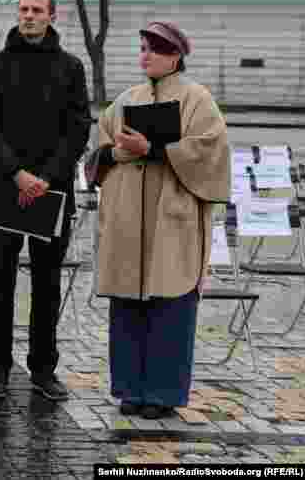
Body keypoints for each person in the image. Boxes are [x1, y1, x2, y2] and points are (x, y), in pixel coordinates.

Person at [86, 22, 230, 420]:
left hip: (174, 217)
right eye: (142, 48)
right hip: (127, 217)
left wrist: (153, 149)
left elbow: (211, 153)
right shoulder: (125, 99)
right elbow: (97, 153)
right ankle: (130, 388)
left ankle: (163, 393)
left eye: (154, 49)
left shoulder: (197, 99)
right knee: (127, 305)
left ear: (175, 56)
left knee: (171, 305)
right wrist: (116, 154)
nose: (145, 55)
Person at [0, 0, 90, 402]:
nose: (29, 16)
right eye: (23, 9)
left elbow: (78, 128)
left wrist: (46, 177)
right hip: (5, 186)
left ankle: (43, 368)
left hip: (52, 190)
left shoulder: (71, 67)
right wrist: (16, 173)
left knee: (47, 282)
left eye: (37, 10)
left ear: (51, 16)